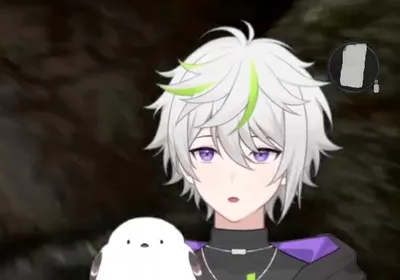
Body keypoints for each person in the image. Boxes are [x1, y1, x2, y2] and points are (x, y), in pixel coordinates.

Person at [146, 22, 367, 279]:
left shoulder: (326, 267)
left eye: (260, 154)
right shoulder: (151, 265)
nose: (232, 177)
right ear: (185, 164)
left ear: (291, 163)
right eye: (207, 153)